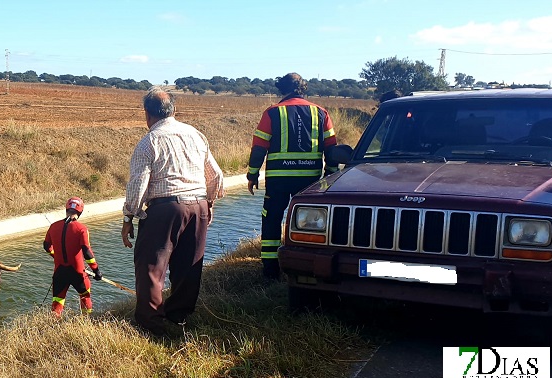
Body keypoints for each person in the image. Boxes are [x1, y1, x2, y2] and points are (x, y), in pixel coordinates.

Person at [121, 86, 225, 337]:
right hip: (198, 205)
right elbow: (216, 176)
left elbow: (138, 184)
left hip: (165, 208)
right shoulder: (195, 134)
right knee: (188, 264)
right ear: (174, 110)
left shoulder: (149, 141)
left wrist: (129, 217)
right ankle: (178, 316)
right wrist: (208, 203)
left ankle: (151, 323)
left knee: (151, 265)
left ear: (147, 114)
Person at [247, 72, 339, 280]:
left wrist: (252, 174)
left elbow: (259, 148)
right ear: (303, 89)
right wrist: (331, 175)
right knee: (311, 223)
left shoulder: (272, 113)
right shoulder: (320, 113)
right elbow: (332, 149)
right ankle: (305, 267)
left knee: (271, 220)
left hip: (278, 180)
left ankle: (270, 272)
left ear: (282, 89)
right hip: (310, 181)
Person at [43, 196, 103, 316]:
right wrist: (96, 270)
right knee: (85, 296)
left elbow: (46, 245)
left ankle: (53, 326)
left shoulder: (53, 226)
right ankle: (86, 323)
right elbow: (87, 252)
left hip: (59, 272)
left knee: (57, 302)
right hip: (78, 272)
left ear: (66, 209)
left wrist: (56, 256)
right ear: (80, 212)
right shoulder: (81, 229)